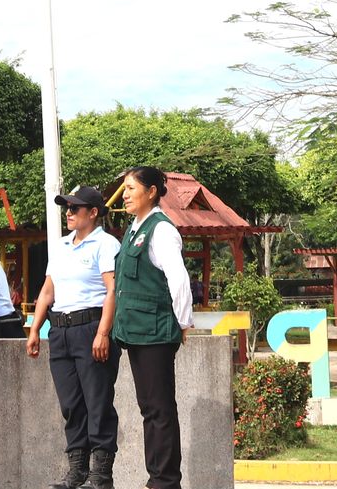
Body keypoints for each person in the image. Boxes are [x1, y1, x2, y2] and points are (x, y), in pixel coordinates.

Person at [25, 184, 122, 489]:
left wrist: (103, 332)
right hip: (61, 331)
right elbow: (47, 291)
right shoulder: (61, 246)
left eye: (74, 208)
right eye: (67, 208)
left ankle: (101, 475)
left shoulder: (105, 244)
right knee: (71, 404)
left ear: (93, 213)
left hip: (91, 327)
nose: (68, 213)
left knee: (97, 402)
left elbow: (112, 291)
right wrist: (35, 330)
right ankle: (77, 471)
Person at [112, 166, 192, 489]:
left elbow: (178, 279)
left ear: (152, 192)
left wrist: (183, 321)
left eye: (132, 188)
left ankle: (166, 481)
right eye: (125, 189)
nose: (125, 195)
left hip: (155, 332)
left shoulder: (161, 230)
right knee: (149, 409)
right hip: (136, 332)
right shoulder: (134, 229)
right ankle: (156, 477)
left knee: (160, 409)